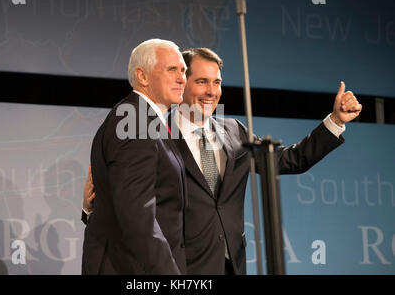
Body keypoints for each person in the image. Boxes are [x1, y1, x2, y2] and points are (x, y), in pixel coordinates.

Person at [82, 47, 362, 275]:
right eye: (201, 81)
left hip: (231, 265)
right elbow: (132, 210)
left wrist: (335, 121)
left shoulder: (234, 130)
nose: (211, 91)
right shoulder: (152, 133)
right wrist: (89, 210)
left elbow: (288, 160)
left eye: (216, 82)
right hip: (179, 268)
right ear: (182, 84)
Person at [81, 39, 188, 275]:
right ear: (143, 76)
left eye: (183, 71)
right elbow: (137, 216)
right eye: (172, 69)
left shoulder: (144, 119)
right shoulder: (135, 123)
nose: (182, 78)